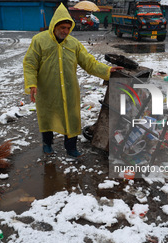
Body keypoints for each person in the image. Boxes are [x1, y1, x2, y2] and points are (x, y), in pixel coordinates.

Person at [23, 3, 123, 158]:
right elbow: (30, 63)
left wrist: (107, 71)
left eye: (68, 28)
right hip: (47, 90)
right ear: (54, 25)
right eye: (62, 27)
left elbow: (89, 63)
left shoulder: (73, 44)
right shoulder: (39, 41)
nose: (65, 31)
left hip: (69, 90)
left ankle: (71, 148)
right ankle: (47, 144)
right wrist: (31, 84)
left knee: (72, 118)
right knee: (47, 117)